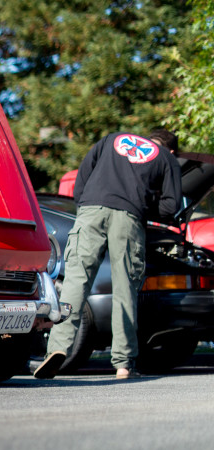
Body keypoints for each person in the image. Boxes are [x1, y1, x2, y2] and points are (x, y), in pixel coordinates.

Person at [35, 129, 181, 380]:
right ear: (171, 150)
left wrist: (84, 207)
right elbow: (172, 205)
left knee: (75, 283)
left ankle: (57, 349)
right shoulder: (166, 158)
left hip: (90, 212)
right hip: (129, 219)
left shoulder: (112, 138)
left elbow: (83, 174)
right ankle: (123, 364)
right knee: (125, 289)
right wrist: (143, 204)